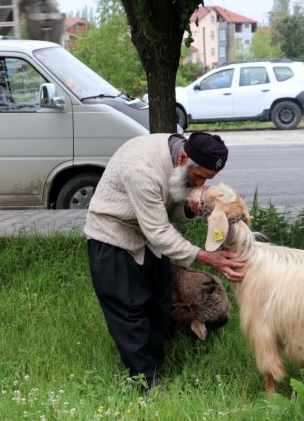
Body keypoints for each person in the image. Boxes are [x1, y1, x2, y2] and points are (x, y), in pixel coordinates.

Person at [84, 131, 245, 390]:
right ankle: (146, 384)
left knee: (160, 305)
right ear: (183, 158)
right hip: (112, 240)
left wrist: (189, 209)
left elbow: (168, 210)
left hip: (147, 239)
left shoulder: (180, 159)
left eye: (208, 179)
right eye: (200, 176)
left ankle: (156, 369)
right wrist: (205, 257)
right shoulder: (142, 169)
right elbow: (158, 230)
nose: (200, 184)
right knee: (130, 313)